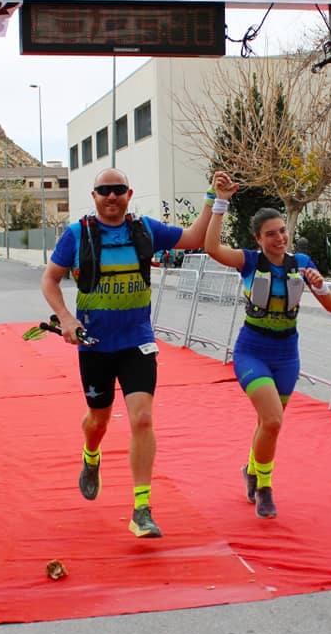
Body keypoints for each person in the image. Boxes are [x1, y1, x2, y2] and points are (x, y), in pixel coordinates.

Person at [41, 167, 230, 538]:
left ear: (129, 194)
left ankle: (141, 508)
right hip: (94, 344)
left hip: (137, 341)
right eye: (103, 191)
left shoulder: (145, 229)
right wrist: (65, 318)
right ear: (93, 196)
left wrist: (214, 197)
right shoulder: (77, 234)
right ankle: (90, 456)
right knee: (98, 421)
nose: (111, 197)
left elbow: (193, 237)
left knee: (142, 419)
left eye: (119, 190)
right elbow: (50, 278)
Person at [204, 178, 331, 519]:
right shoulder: (248, 262)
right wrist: (220, 203)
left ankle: (250, 469)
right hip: (252, 352)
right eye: (271, 234)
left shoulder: (301, 261)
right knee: (273, 421)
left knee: (268, 423)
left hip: (287, 356)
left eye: (282, 231)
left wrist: (320, 288)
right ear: (258, 239)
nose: (279, 238)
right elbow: (212, 248)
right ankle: (264, 487)